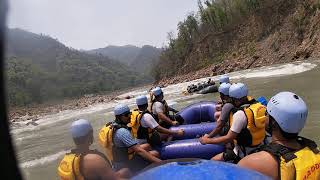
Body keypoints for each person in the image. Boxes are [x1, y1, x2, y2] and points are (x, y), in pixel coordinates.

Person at [238, 92, 320, 179]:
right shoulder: (313, 150)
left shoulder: (251, 163)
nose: (265, 117)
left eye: (267, 114)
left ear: (273, 123)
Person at [200, 83, 267, 163]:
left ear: (235, 99)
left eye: (231, 98)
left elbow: (228, 138)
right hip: (260, 145)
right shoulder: (257, 106)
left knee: (213, 160)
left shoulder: (240, 114)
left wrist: (207, 141)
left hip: (244, 152)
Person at [58, 119, 130, 180]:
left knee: (125, 171)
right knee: (126, 171)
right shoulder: (95, 159)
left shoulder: (66, 160)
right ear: (90, 136)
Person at [98, 104, 161, 174]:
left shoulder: (113, 126)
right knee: (155, 153)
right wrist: (160, 162)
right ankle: (154, 173)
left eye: (130, 113)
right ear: (119, 117)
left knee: (147, 146)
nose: (130, 116)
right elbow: (139, 151)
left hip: (118, 160)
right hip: (126, 164)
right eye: (126, 115)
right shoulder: (122, 132)